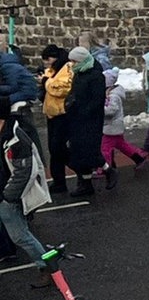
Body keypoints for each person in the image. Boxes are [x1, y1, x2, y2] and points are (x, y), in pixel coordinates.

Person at [1, 100, 51, 278]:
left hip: (9, 197)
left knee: (21, 236)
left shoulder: (16, 139)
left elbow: (26, 172)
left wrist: (7, 197)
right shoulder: (6, 135)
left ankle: (47, 266)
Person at [59, 47, 105, 197]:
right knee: (77, 152)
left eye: (74, 61)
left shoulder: (96, 76)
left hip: (90, 120)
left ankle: (109, 170)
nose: (72, 64)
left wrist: (84, 112)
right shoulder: (78, 74)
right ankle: (85, 183)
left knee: (89, 151)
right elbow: (74, 94)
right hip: (76, 119)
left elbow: (97, 100)